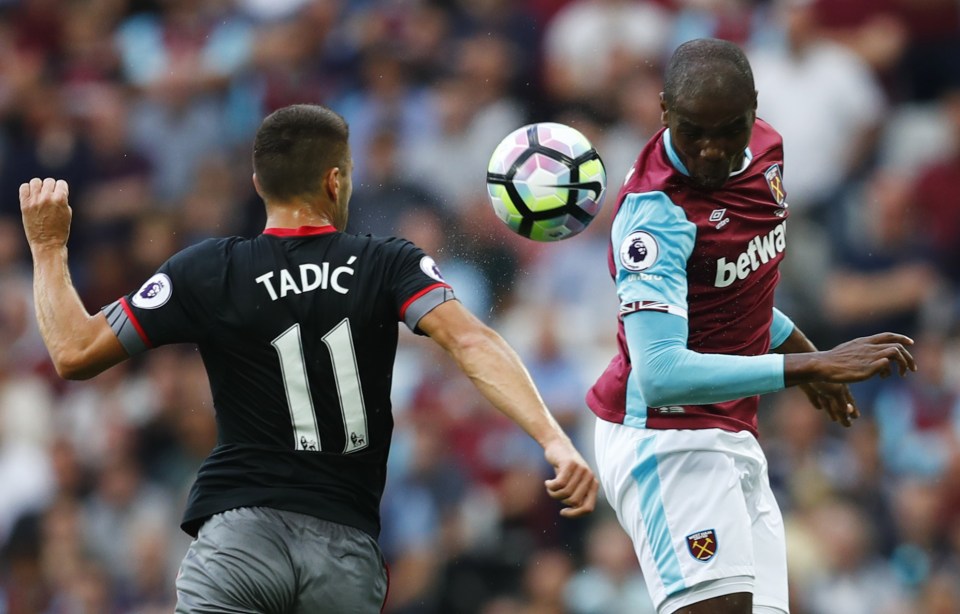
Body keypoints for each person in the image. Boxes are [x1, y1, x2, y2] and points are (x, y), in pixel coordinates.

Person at [19, 104, 599, 613]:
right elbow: (473, 343)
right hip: (344, 552)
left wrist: (48, 248)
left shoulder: (208, 270)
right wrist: (551, 438)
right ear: (334, 179)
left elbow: (74, 353)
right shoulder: (386, 264)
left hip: (239, 539)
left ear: (257, 182)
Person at [587, 38, 917, 614]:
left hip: (733, 433)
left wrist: (804, 351)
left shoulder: (767, 149)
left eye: (729, 129)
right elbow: (659, 372)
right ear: (664, 110)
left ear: (754, 110)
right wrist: (810, 364)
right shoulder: (654, 215)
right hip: (665, 436)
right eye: (694, 132)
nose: (712, 150)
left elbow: (737, 293)